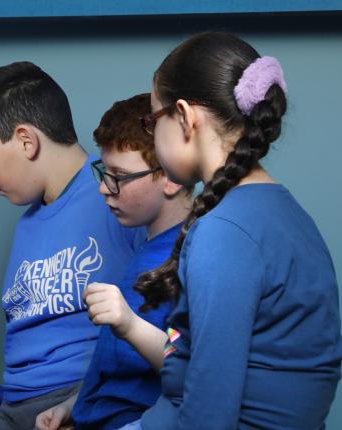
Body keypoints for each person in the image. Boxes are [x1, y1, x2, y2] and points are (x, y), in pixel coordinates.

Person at [116, 32, 342, 429]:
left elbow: (208, 417)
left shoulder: (223, 234)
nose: (152, 133)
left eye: (152, 120)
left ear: (185, 116)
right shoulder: (288, 214)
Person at [0, 62, 144, 429]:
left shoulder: (117, 192)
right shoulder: (28, 222)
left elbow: (165, 313)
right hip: (13, 407)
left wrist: (91, 402)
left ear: (26, 140)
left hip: (85, 399)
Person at [35, 94, 192, 430]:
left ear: (172, 176)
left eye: (119, 177)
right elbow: (113, 369)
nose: (105, 189)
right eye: (103, 173)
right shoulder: (143, 251)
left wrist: (129, 324)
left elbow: (190, 366)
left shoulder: (191, 258)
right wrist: (71, 405)